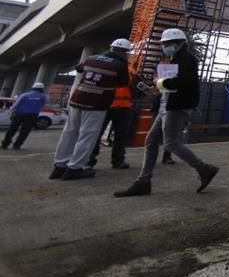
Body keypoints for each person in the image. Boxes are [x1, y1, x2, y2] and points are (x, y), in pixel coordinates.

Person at [114, 28, 218, 197]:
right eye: (164, 44)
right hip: (166, 105)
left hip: (176, 108)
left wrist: (159, 82)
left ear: (180, 43)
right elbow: (170, 86)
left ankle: (204, 168)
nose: (165, 46)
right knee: (151, 141)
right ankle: (143, 182)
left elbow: (180, 83)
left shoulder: (187, 59)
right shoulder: (174, 60)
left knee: (171, 143)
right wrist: (156, 89)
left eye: (168, 44)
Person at [50, 40, 130, 180]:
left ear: (111, 47)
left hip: (77, 99)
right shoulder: (120, 65)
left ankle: (59, 166)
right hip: (97, 103)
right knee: (87, 136)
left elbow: (79, 68)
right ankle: (75, 168)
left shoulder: (91, 58)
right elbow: (123, 82)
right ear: (123, 53)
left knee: (69, 132)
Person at [86, 39, 135, 169]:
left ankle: (115, 160)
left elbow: (132, 86)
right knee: (99, 133)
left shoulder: (128, 67)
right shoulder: (121, 66)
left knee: (118, 135)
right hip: (108, 104)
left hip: (120, 105)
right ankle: (91, 159)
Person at [2, 82, 48, 150]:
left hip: (19, 114)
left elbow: (16, 104)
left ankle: (5, 144)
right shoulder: (43, 96)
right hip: (32, 115)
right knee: (25, 131)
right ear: (42, 89)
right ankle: (17, 145)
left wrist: (9, 111)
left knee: (12, 130)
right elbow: (43, 105)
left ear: (33, 88)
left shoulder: (25, 95)